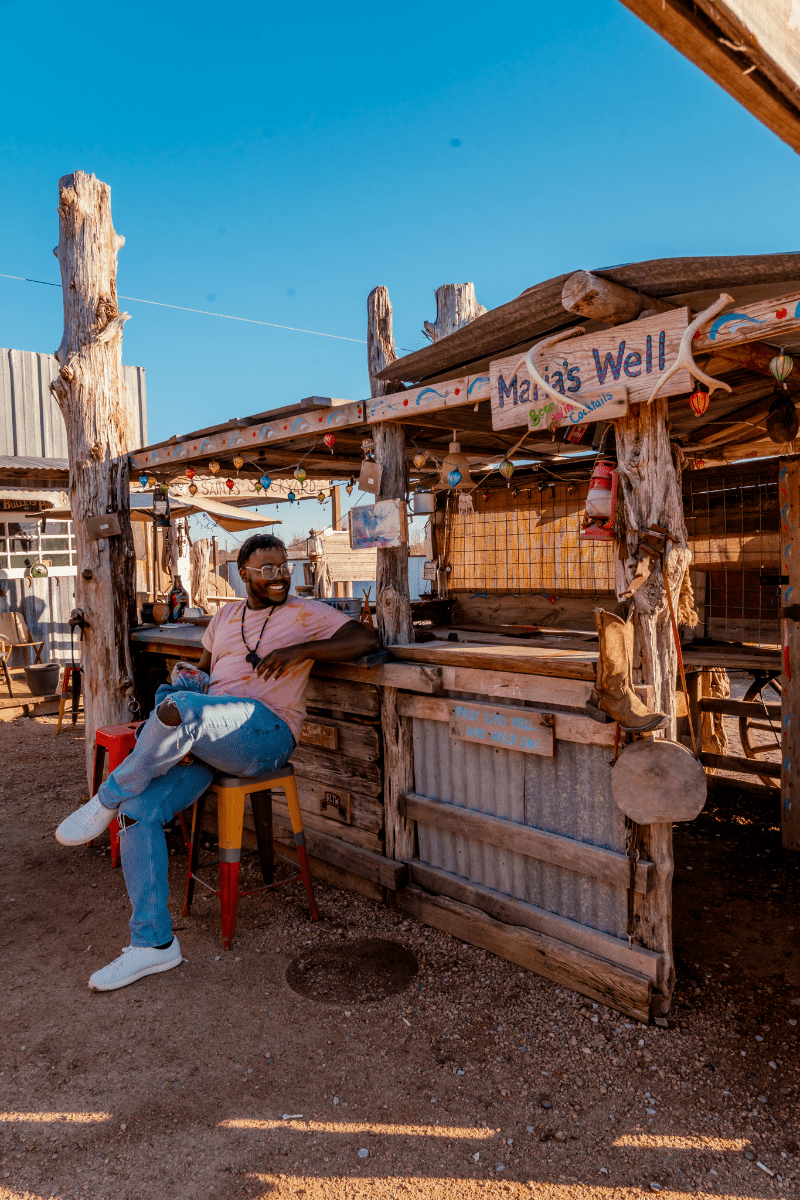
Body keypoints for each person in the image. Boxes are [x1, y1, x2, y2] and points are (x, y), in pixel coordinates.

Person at [56, 533, 380, 991]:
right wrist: (191, 681)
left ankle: (107, 795)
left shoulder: (305, 614)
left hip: (265, 735)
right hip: (210, 736)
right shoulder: (226, 616)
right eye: (266, 569)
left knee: (179, 713)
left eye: (283, 566)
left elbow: (365, 637)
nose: (278, 576)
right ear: (243, 573)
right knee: (138, 812)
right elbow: (205, 672)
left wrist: (298, 650)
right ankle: (153, 945)